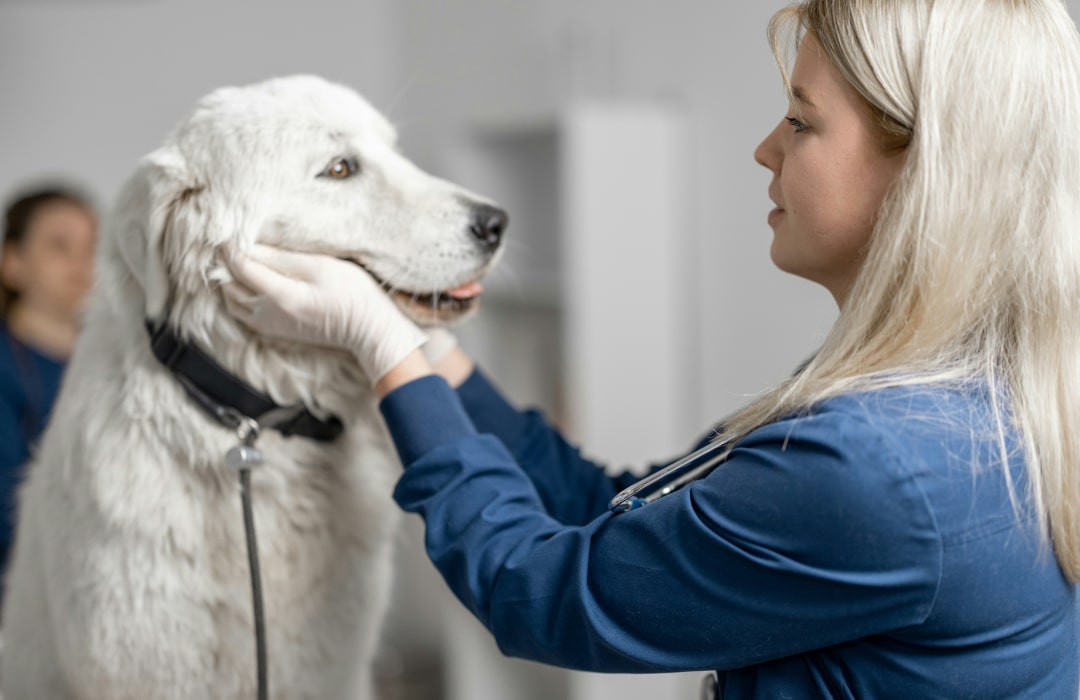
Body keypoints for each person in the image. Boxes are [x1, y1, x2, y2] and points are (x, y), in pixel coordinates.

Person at [223, 0, 1080, 696]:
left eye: (800, 122)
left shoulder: (875, 466)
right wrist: (431, 354)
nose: (764, 149)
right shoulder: (942, 399)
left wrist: (384, 349)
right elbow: (615, 510)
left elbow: (540, 592)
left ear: (925, 172)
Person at [0, 187, 96, 576]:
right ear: (13, 263)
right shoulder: (7, 368)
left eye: (91, 247)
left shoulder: (119, 364)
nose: (80, 262)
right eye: (60, 246)